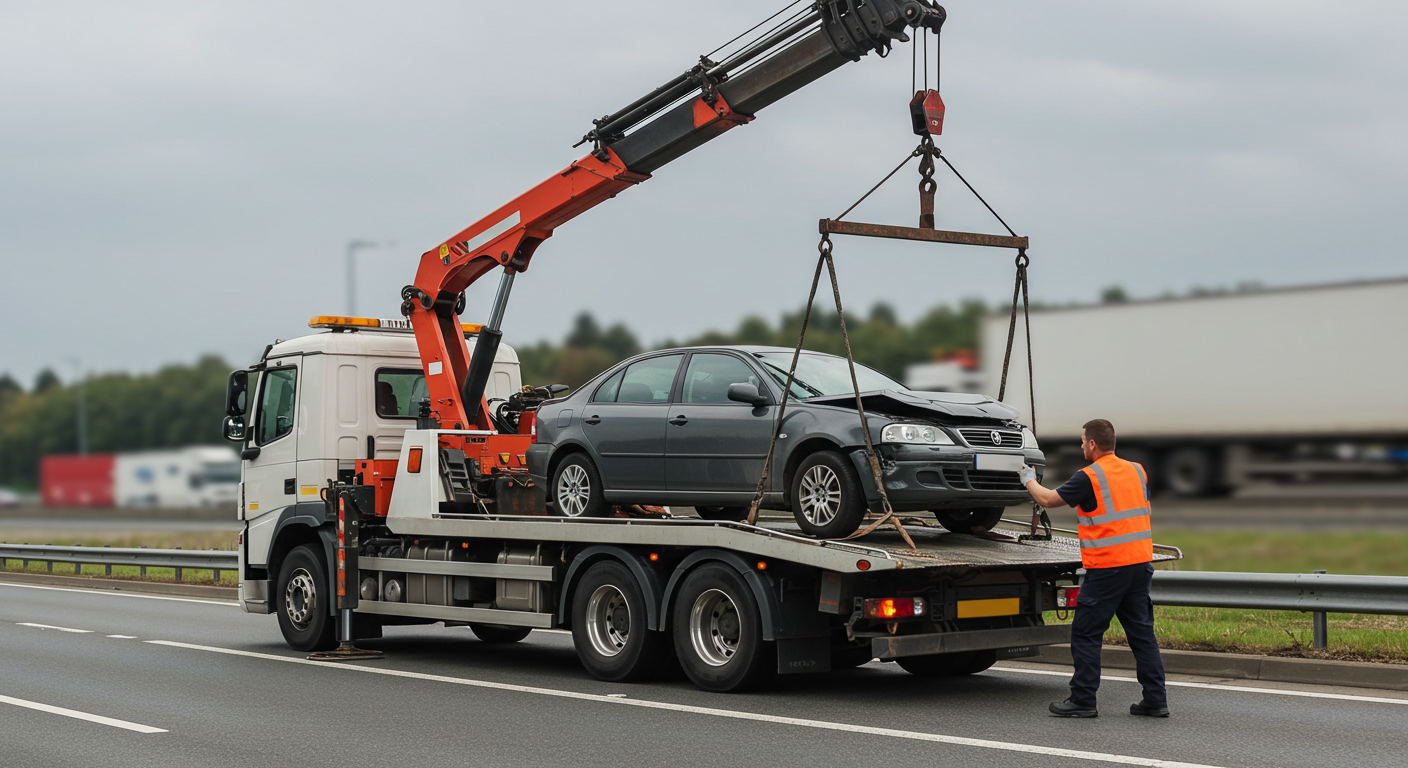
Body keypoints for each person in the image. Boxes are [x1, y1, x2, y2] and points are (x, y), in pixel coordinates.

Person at [1017, 418, 1168, 719]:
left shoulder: (1090, 476)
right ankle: (1155, 700)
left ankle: (1083, 700)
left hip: (1109, 568)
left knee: (1086, 633)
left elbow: (1048, 499)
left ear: (1093, 444)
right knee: (1142, 635)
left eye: (1082, 441)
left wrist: (1027, 478)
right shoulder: (1137, 470)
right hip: (1140, 564)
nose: (1081, 445)